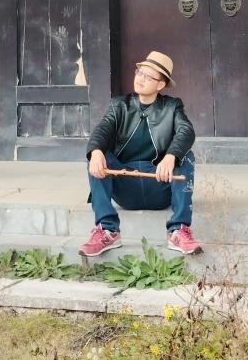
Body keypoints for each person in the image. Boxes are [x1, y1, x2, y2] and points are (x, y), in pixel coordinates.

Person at [78, 50, 201, 256]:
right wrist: (96, 151)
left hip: (159, 185)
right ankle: (107, 230)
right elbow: (102, 130)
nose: (140, 79)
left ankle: (178, 230)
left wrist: (171, 156)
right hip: (126, 187)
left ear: (160, 84)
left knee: (185, 156)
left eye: (148, 76)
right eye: (139, 72)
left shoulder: (172, 107)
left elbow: (186, 131)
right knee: (98, 155)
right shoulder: (120, 105)